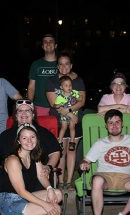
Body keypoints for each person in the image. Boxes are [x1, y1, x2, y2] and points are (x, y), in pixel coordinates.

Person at [0, 124, 62, 215]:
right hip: (10, 204)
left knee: (57, 194)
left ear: (37, 139)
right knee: (56, 210)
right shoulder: (13, 160)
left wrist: (49, 189)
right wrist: (44, 204)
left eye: (32, 137)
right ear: (18, 140)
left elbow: (42, 176)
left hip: (23, 199)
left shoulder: (34, 155)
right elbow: (21, 191)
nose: (29, 141)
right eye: (25, 138)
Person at [46, 52, 86, 190]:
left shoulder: (78, 80)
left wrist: (71, 114)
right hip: (58, 122)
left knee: (72, 150)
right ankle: (60, 180)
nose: (64, 66)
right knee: (60, 151)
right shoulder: (52, 81)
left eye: (67, 63)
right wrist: (70, 114)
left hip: (76, 122)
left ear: (71, 65)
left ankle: (69, 181)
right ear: (58, 66)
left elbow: (81, 101)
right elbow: (53, 103)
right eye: (61, 64)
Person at [27, 34, 59, 116]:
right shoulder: (36, 64)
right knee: (40, 129)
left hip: (59, 107)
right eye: (45, 41)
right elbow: (31, 87)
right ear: (42, 46)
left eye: (51, 41)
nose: (48, 43)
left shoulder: (62, 63)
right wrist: (29, 105)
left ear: (55, 45)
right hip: (39, 107)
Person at [54, 75, 80, 150]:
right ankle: (59, 142)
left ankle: (72, 142)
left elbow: (80, 99)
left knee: (72, 127)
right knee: (63, 127)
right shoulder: (60, 97)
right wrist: (57, 105)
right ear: (61, 87)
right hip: (64, 114)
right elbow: (56, 105)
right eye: (66, 85)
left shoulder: (74, 93)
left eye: (70, 85)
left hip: (74, 113)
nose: (69, 87)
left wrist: (79, 99)